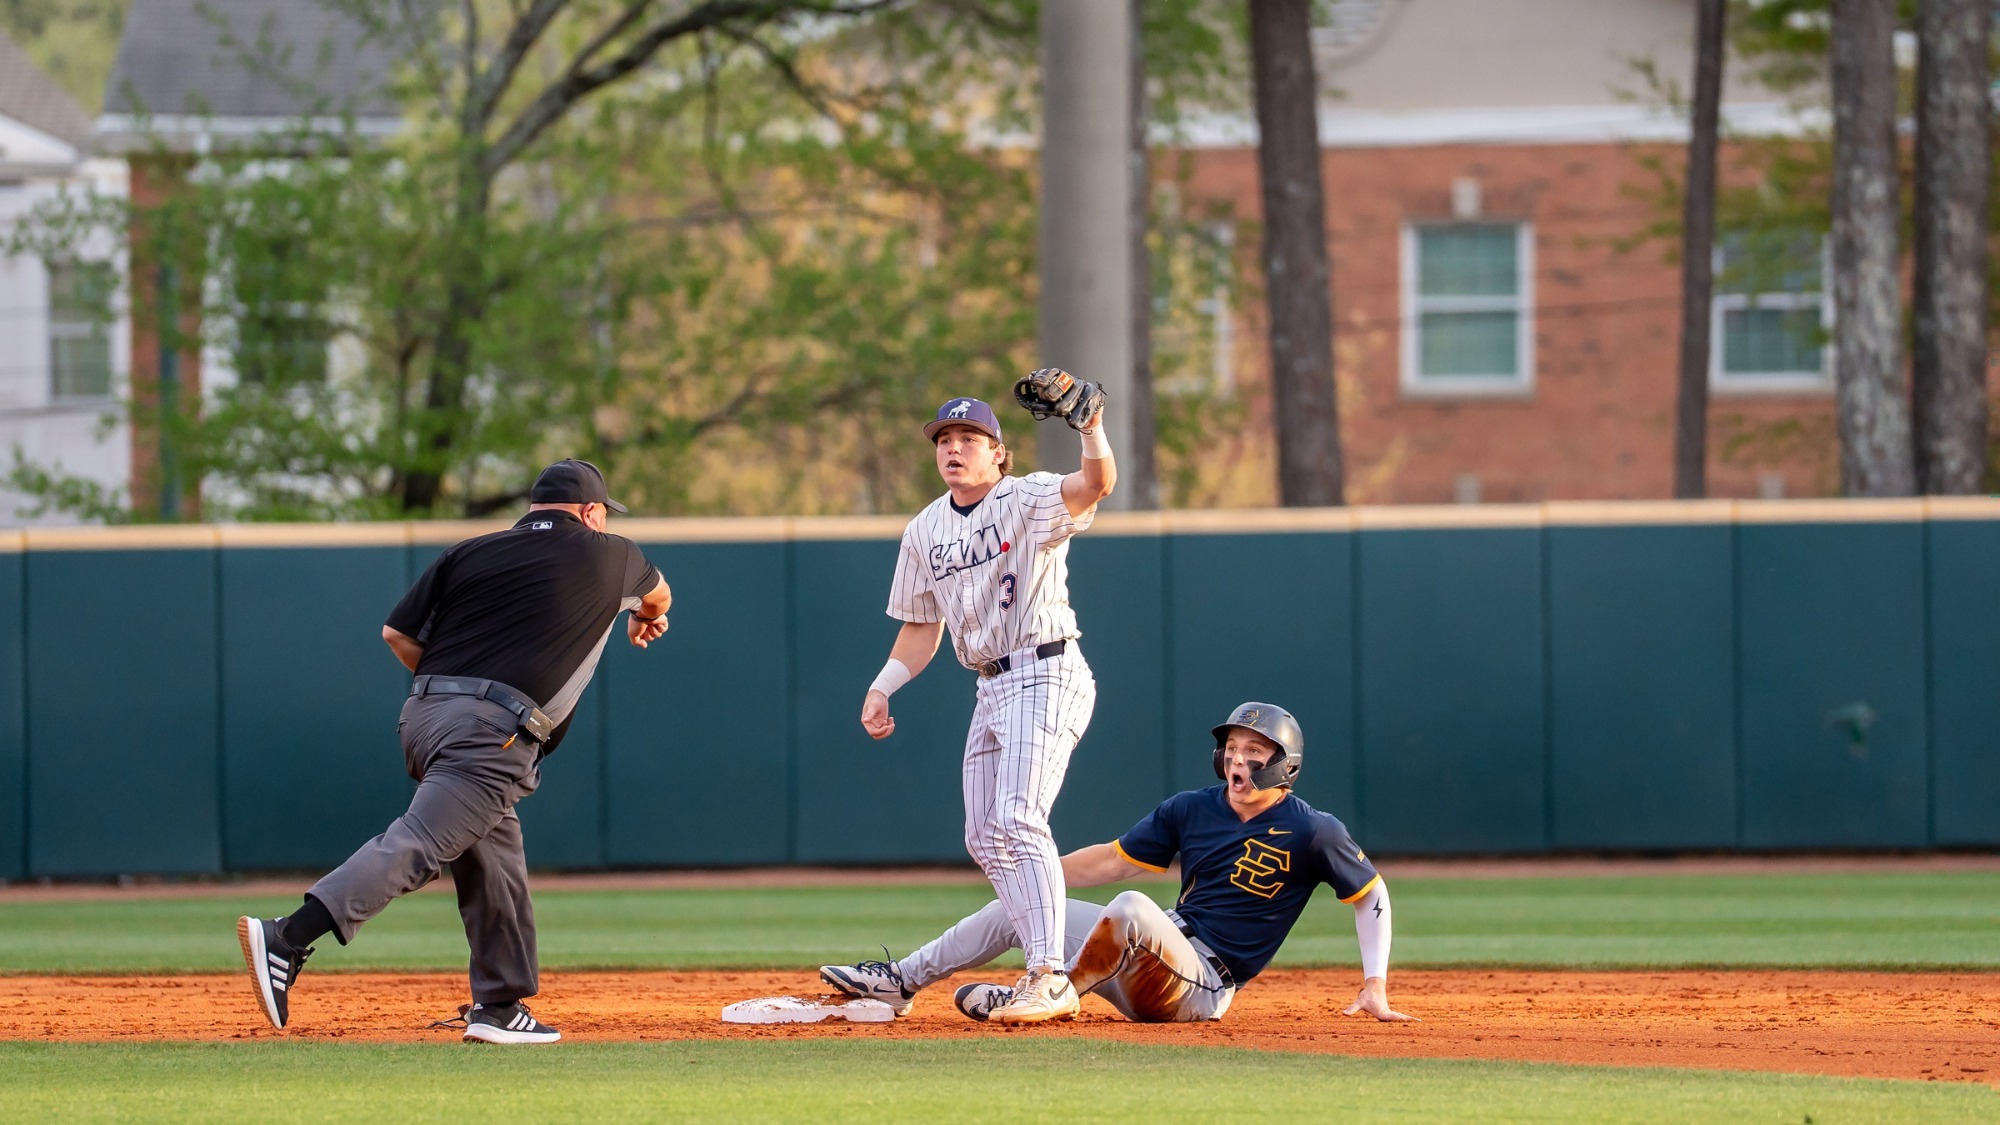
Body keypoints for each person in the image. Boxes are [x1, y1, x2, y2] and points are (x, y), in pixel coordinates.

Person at [237, 458, 671, 1045]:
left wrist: (459, 691)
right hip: (495, 733)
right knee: (418, 843)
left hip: (424, 716)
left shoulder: (469, 550)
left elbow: (398, 635)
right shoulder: (610, 551)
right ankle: (288, 937)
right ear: (592, 511)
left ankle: (500, 1006)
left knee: (495, 857)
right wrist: (646, 617)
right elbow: (659, 594)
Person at [821, 702, 1414, 1025]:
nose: (1237, 760)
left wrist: (1374, 987)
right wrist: (1035, 870)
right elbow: (1111, 861)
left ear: (1285, 765)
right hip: (1145, 955)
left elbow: (1372, 896)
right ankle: (901, 981)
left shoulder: (1313, 829)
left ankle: (1051, 992)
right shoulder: (1193, 808)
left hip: (1202, 986)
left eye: (1254, 752)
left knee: (1132, 909)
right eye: (1231, 749)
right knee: (1021, 906)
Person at [841, 371, 1114, 1025]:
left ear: (999, 451)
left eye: (970, 436)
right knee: (985, 836)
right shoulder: (925, 529)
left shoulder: (1029, 499)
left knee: (1018, 817)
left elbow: (1095, 484)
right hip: (990, 684)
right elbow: (919, 627)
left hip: (1047, 669)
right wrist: (883, 684)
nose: (954, 446)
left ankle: (1049, 972)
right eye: (945, 437)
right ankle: (1029, 967)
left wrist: (1092, 428)